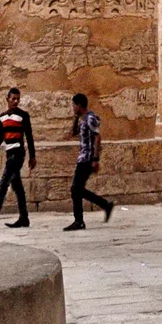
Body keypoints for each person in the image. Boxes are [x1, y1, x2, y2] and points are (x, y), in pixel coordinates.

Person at [0, 86, 36, 229]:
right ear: (8, 99)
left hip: (18, 154)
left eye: (18, 99)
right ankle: (24, 218)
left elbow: (29, 136)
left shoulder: (23, 115)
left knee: (3, 184)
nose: (16, 101)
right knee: (17, 187)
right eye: (13, 98)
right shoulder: (3, 117)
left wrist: (32, 156)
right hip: (9, 155)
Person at [64, 94, 113, 230]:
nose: (73, 108)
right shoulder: (83, 119)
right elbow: (74, 132)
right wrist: (75, 117)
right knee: (77, 189)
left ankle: (80, 220)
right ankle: (103, 206)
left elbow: (97, 137)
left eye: (74, 105)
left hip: (88, 158)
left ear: (79, 105)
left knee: (76, 189)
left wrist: (95, 159)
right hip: (83, 157)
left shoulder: (90, 118)